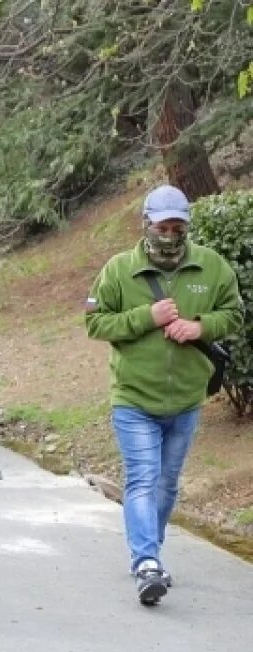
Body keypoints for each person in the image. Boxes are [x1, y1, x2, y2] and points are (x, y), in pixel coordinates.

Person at [85, 184, 243, 606]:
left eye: (178, 226)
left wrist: (199, 327)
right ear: (146, 224)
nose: (171, 234)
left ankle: (148, 550)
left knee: (167, 483)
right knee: (142, 478)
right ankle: (147, 563)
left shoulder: (212, 267)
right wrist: (146, 317)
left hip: (187, 399)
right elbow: (96, 323)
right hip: (134, 397)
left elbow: (234, 313)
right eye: (163, 226)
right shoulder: (119, 270)